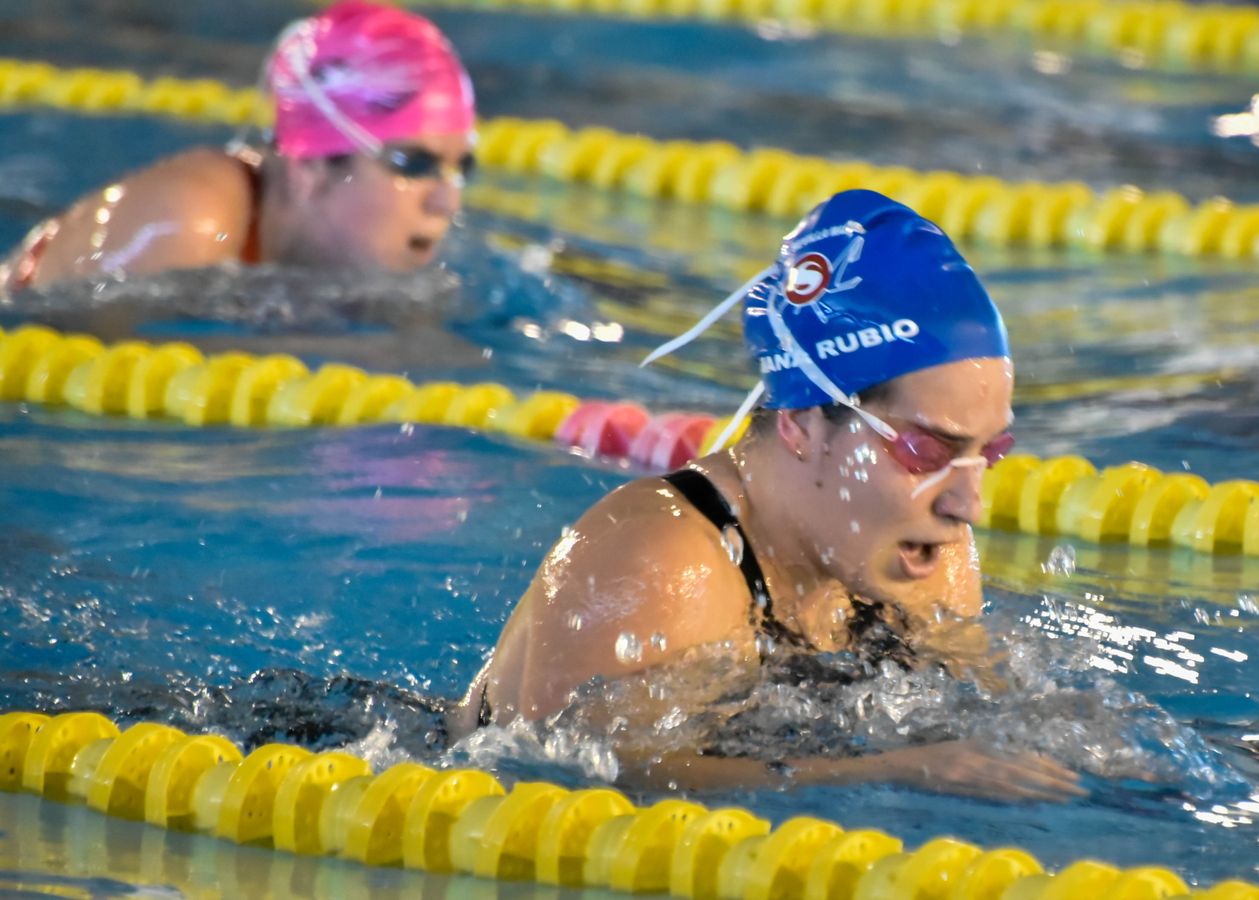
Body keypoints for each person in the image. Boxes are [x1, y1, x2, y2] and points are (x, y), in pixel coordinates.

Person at [453, 189, 1081, 801]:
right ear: (802, 423)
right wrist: (898, 770)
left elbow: (994, 722)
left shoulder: (924, 550)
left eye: (988, 453)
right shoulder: (661, 561)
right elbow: (575, 785)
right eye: (928, 452)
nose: (966, 505)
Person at [2, 0, 476, 293]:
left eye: (461, 168)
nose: (447, 200)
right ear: (309, 169)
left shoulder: (372, 263)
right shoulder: (187, 223)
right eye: (412, 164)